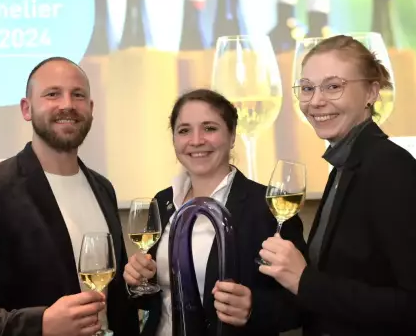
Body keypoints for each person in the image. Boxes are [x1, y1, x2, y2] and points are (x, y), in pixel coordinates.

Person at [258, 35, 416, 336]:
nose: (315, 100)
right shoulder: (346, 166)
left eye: (333, 86)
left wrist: (305, 281)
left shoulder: (393, 170)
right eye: (307, 88)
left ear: (371, 92)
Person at [0, 57, 139, 336]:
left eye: (78, 95)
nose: (67, 104)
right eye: (52, 94)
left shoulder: (103, 188)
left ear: (90, 109)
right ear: (26, 109)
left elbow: (115, 300)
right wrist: (41, 324)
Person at [123, 88, 307, 336]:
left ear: (232, 136)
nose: (196, 140)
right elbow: (154, 299)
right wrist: (136, 281)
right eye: (184, 130)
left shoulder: (268, 206)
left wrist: (253, 308)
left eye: (209, 128)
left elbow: (302, 303)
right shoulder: (162, 201)